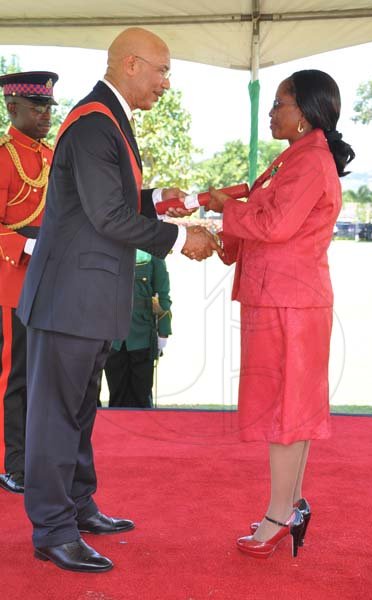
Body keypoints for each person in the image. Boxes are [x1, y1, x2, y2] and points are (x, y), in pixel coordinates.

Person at [17, 27, 220, 574]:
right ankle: (52, 530)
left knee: (81, 413)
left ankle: (77, 507)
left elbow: (115, 201)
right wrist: (183, 238)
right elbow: (109, 215)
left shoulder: (108, 120)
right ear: (131, 64)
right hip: (69, 301)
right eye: (162, 70)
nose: (166, 83)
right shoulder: (92, 124)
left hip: (86, 300)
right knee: (57, 417)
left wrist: (168, 201)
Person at [206, 70, 355, 560]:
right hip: (286, 300)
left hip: (289, 304)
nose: (271, 112)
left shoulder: (309, 161)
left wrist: (226, 208)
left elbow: (273, 224)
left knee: (287, 414)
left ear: (306, 112)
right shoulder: (298, 157)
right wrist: (228, 209)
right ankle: (287, 507)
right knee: (293, 411)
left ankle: (280, 514)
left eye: (279, 104)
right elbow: (269, 222)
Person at [0, 71, 58, 495]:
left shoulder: (54, 156)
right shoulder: (3, 157)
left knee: (49, 376)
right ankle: (13, 463)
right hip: (14, 280)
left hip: (55, 281)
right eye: (37, 108)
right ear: (11, 107)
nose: (45, 116)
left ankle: (41, 457)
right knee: (15, 376)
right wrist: (27, 245)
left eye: (49, 108)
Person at [104, 250, 172, 408]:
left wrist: (163, 332)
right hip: (112, 338)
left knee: (142, 398)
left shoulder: (152, 253)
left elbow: (163, 295)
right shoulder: (107, 248)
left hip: (142, 336)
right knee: (117, 396)